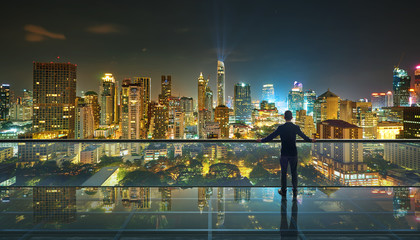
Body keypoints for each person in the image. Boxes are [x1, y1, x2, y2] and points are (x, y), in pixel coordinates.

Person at [257, 110, 315, 199]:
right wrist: (311, 140)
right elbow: (304, 137)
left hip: (284, 153)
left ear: (284, 118)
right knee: (294, 172)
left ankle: (283, 191)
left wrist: (261, 140)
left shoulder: (281, 128)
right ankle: (295, 190)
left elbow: (271, 137)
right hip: (293, 153)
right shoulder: (296, 127)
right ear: (292, 118)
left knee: (283, 172)